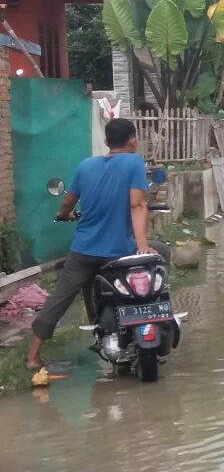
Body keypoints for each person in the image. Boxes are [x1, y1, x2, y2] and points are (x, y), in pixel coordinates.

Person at [26, 118, 169, 370]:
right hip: (119, 252)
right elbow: (137, 204)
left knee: (59, 298)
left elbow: (67, 203)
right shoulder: (134, 162)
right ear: (133, 139)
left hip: (84, 252)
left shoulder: (85, 166)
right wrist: (143, 244)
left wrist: (63, 215)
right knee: (163, 252)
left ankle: (32, 358)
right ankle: (158, 318)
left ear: (106, 141)